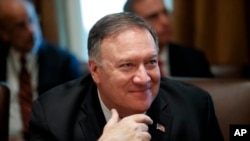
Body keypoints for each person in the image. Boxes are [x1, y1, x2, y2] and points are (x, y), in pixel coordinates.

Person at [30, 12, 223, 141]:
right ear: (95, 71)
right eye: (127, 65)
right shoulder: (52, 115)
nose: (144, 78)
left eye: (151, 62)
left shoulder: (195, 106)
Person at [0, 0, 84, 140]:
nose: (31, 30)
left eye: (32, 20)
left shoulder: (64, 62)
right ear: (4, 33)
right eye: (21, 26)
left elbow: (73, 117)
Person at [124, 0, 213, 77]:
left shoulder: (194, 60)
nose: (165, 21)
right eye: (153, 16)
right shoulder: (124, 63)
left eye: (165, 13)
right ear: (133, 25)